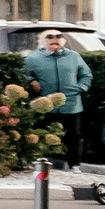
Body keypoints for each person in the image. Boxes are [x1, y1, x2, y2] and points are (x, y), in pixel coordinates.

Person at [23, 27, 93, 167]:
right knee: (42, 134)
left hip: (71, 103)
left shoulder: (74, 56)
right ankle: (41, 163)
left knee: (73, 135)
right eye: (50, 39)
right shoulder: (33, 58)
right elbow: (22, 73)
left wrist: (81, 88)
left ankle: (74, 164)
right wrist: (31, 81)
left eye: (58, 39)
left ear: (63, 41)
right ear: (43, 42)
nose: (55, 43)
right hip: (45, 103)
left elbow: (86, 74)